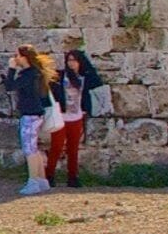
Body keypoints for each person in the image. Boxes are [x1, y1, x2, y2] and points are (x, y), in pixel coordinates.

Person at [48, 49, 102, 189]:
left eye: (74, 60)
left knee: (73, 148)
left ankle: (73, 177)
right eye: (69, 60)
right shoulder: (60, 76)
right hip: (61, 116)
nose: (71, 63)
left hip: (76, 116)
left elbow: (97, 83)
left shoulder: (84, 77)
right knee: (57, 147)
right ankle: (49, 176)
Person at [7, 46, 58, 195]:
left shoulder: (27, 75)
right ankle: (42, 181)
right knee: (34, 148)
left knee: (29, 149)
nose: (15, 58)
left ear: (24, 57)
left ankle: (33, 181)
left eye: (17, 56)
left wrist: (11, 69)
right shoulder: (36, 73)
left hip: (30, 115)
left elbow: (10, 86)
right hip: (36, 114)